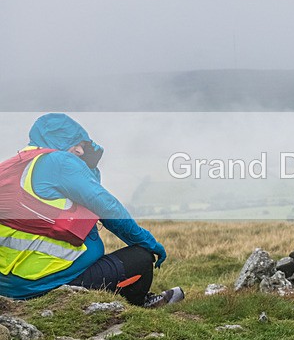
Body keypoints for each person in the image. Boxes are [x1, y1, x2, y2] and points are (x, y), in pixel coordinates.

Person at [0, 113, 183, 308]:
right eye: (75, 143)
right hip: (45, 284)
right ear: (57, 140)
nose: (80, 151)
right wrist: (148, 242)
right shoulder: (58, 161)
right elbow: (106, 206)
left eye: (83, 147)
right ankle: (138, 305)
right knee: (142, 256)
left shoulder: (10, 169)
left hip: (10, 286)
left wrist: (89, 167)